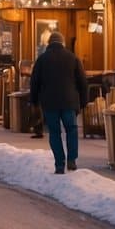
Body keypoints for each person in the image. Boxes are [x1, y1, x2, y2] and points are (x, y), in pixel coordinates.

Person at [29, 31, 88, 174]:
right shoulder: (73, 58)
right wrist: (83, 102)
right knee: (71, 130)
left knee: (54, 132)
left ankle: (59, 164)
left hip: (50, 103)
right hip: (69, 101)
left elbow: (34, 82)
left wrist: (34, 101)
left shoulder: (42, 59)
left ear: (49, 43)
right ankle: (72, 159)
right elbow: (82, 82)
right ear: (63, 43)